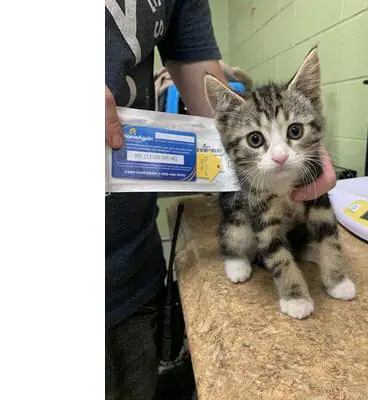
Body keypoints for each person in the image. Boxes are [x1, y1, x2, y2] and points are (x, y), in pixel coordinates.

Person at [105, 1, 336, 399]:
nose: (279, 153)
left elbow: (210, 97)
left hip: (134, 272)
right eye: (261, 141)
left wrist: (309, 151)